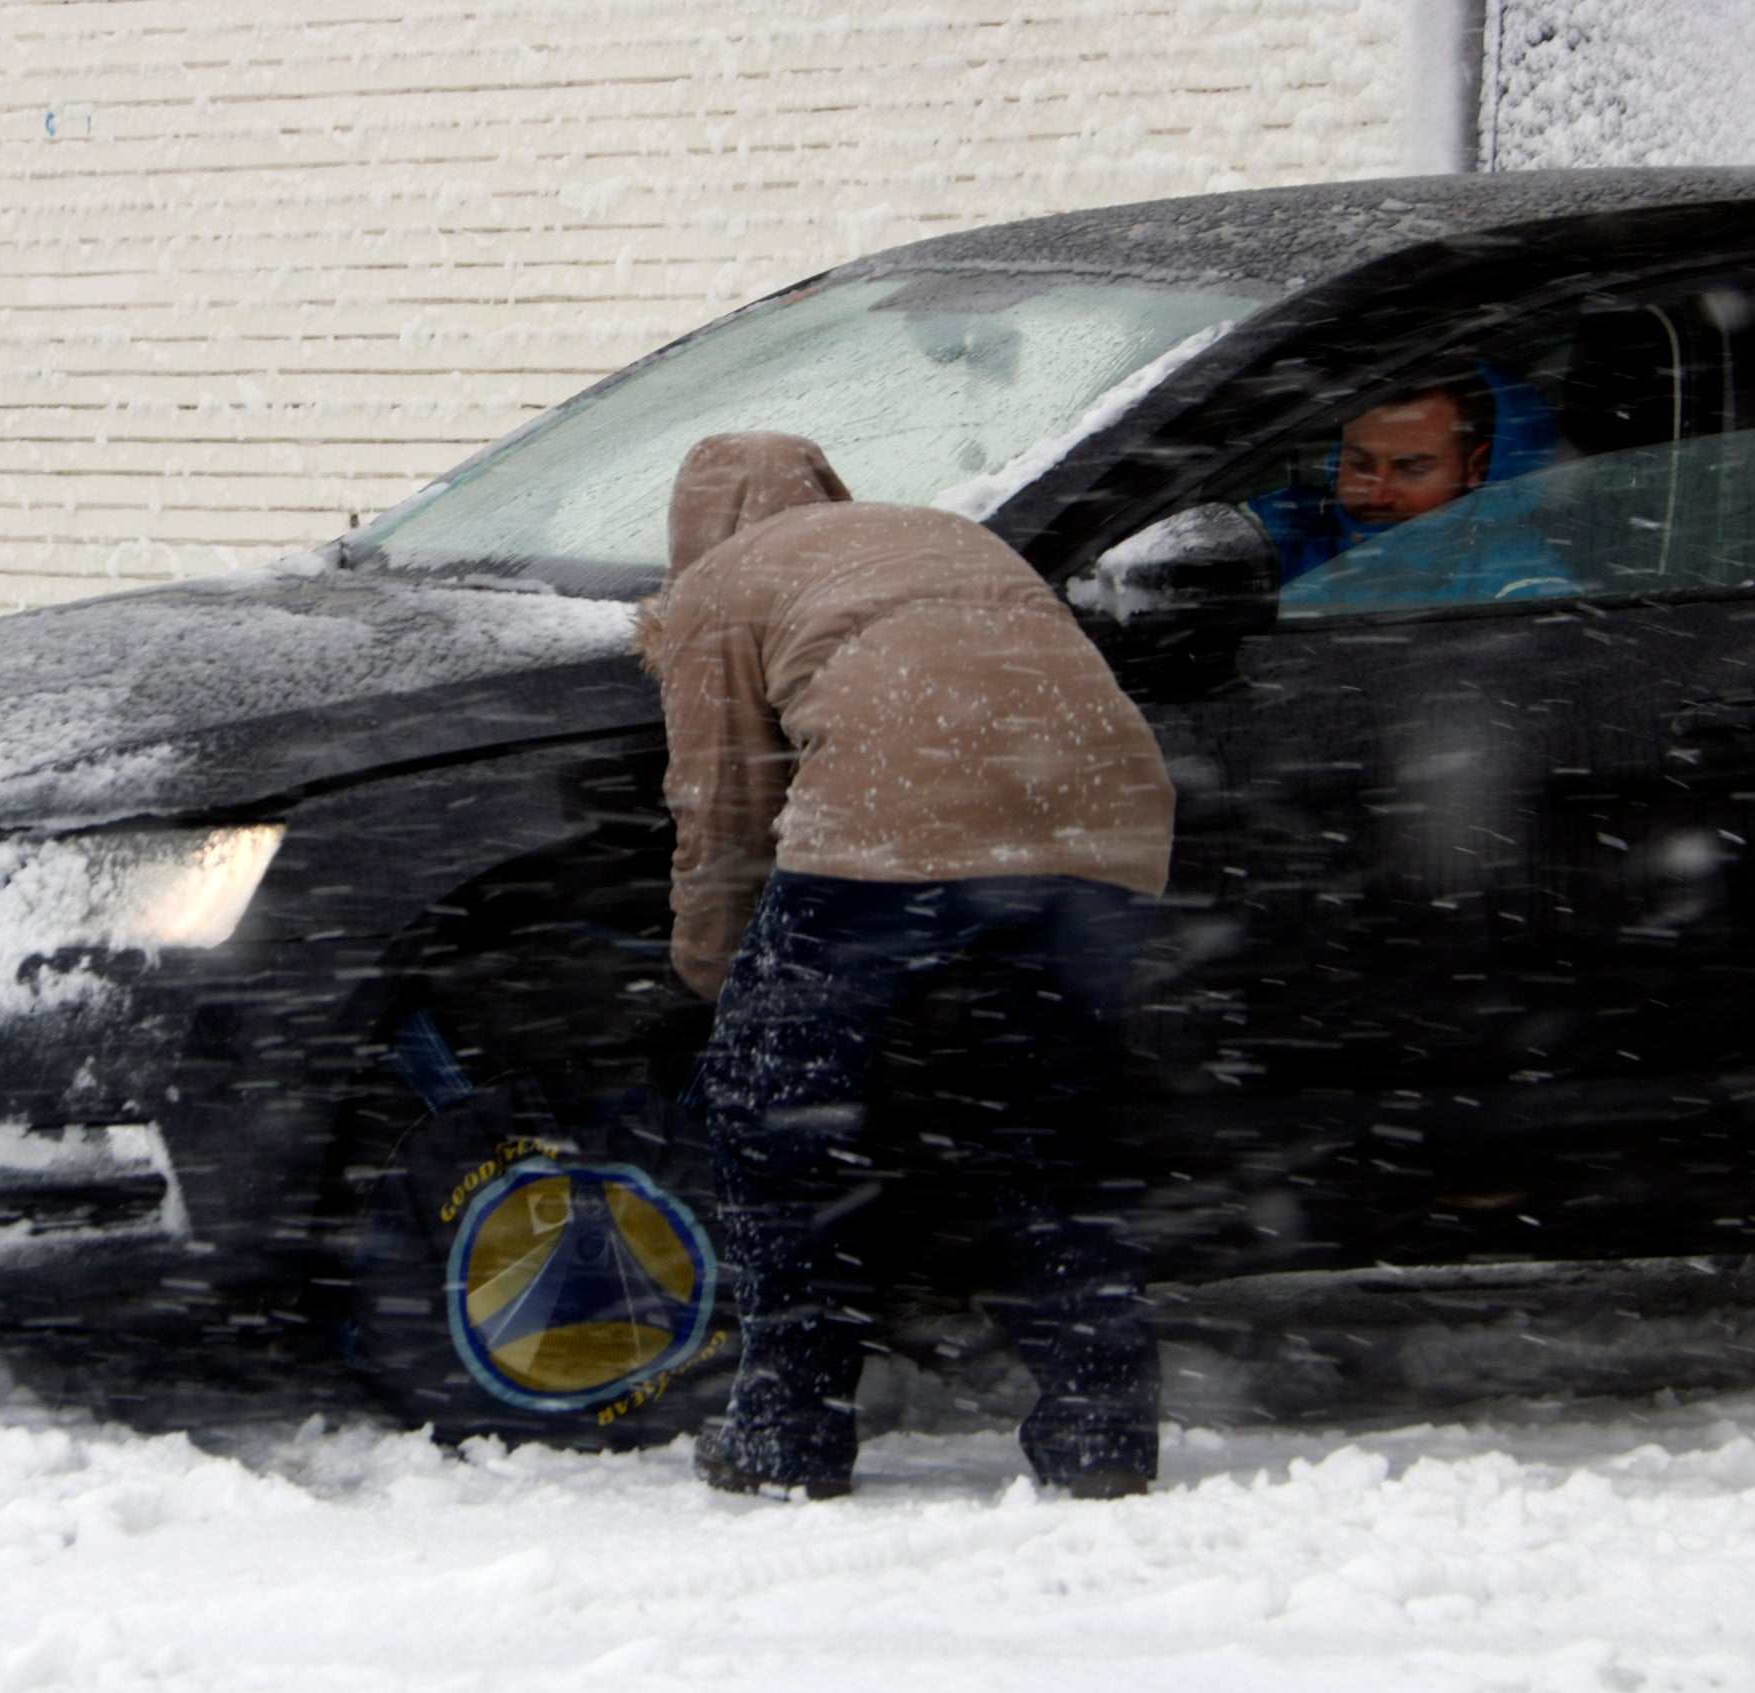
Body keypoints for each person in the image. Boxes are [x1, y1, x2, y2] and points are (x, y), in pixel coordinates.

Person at [638, 431, 1177, 1500]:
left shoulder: (715, 584)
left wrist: (717, 983)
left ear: (694, 527)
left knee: (778, 1122)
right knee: (1042, 1125)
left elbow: (720, 811)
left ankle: (788, 1428)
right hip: (1108, 815)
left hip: (898, 809)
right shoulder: (938, 534)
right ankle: (1101, 1427)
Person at [1250, 366, 1575, 605]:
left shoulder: (1518, 591)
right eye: (1359, 464)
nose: (1376, 493)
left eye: (1413, 470)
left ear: (1476, 468)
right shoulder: (1284, 525)